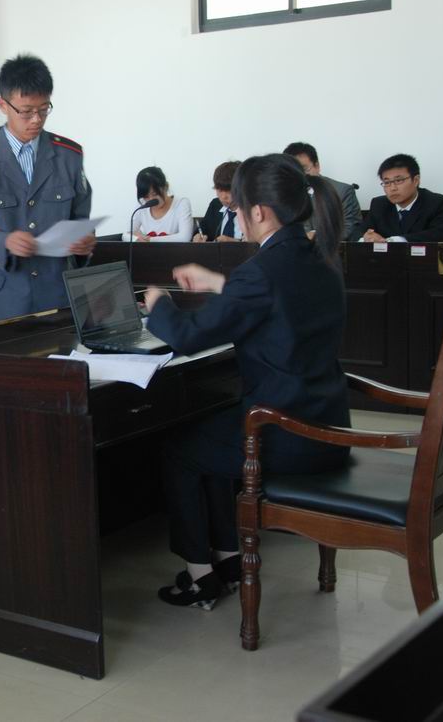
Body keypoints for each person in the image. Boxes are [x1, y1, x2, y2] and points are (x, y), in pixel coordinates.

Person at [142, 154, 349, 608]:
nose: (234, 216)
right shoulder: (321, 256)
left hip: (286, 434)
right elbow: (279, 301)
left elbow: (188, 336)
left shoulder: (262, 272)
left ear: (258, 211)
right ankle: (229, 558)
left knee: (179, 446)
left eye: (236, 208)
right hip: (328, 424)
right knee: (217, 426)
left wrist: (159, 304)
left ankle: (199, 575)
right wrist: (220, 283)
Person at [0, 54, 96, 324]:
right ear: (3, 105)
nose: (36, 119)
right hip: (2, 297)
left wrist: (84, 242)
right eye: (26, 111)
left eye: (44, 109)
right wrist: (4, 242)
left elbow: (80, 218)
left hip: (57, 293)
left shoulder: (69, 156)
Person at [283, 141, 365, 241]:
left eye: (304, 169)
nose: (300, 175)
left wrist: (315, 236)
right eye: (294, 171)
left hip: (331, 248)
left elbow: (350, 229)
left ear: (317, 166)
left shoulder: (341, 191)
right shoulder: (282, 194)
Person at [361, 154, 443, 243]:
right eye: (387, 182)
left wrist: (396, 240)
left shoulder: (437, 203)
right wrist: (367, 236)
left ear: (416, 180)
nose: (392, 188)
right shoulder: (378, 204)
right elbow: (363, 231)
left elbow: (440, 235)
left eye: (398, 180)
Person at [130, 167, 193, 242]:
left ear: (166, 187)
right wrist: (136, 238)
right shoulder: (142, 205)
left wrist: (149, 240)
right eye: (146, 196)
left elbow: (185, 237)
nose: (151, 199)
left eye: (155, 194)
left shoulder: (181, 203)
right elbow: (126, 234)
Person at [194, 161, 244, 242]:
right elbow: (201, 231)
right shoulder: (215, 205)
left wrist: (235, 242)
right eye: (219, 190)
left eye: (228, 191)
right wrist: (197, 237)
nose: (224, 197)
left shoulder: (253, 209)